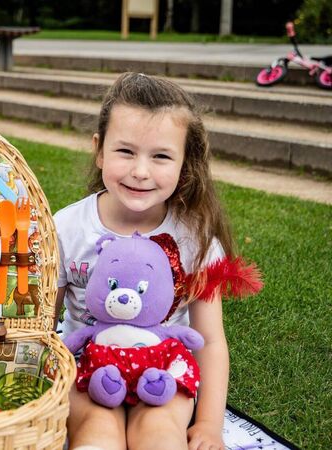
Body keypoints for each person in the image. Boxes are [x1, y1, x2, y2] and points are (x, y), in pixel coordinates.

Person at [55, 72, 233, 450]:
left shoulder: (196, 239)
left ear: (185, 164)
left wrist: (209, 425)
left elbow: (211, 340)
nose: (140, 171)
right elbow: (42, 326)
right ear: (99, 149)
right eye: (125, 151)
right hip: (91, 366)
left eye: (161, 156)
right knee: (96, 434)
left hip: (164, 369)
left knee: (159, 435)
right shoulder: (67, 228)